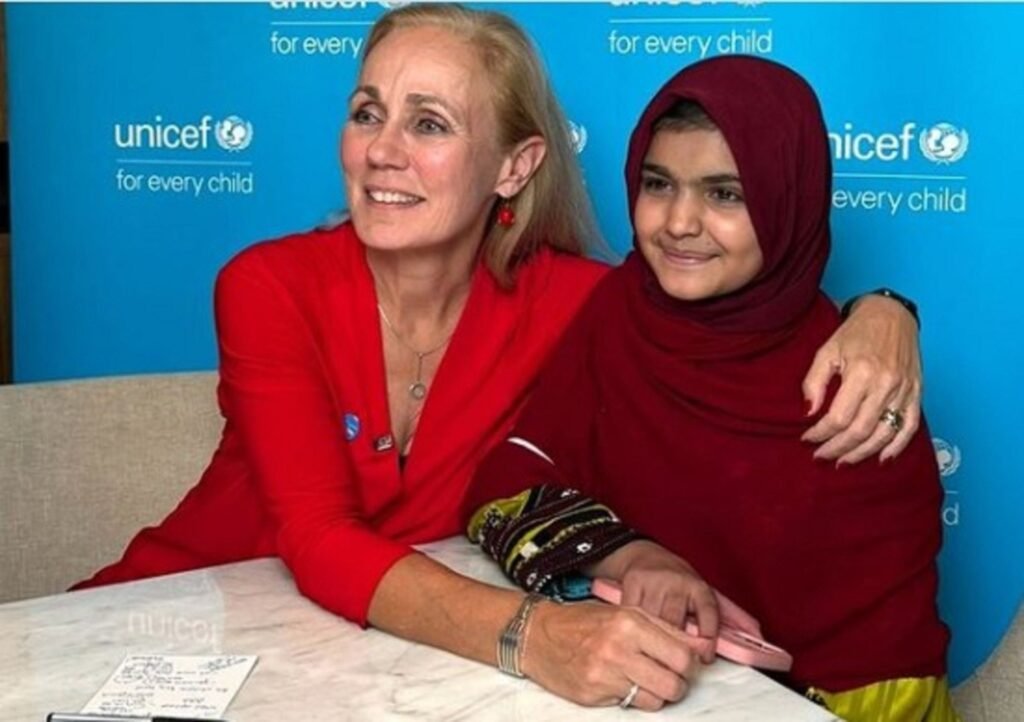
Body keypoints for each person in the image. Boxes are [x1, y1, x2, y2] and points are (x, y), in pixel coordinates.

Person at [75, 3, 924, 710]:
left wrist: (882, 310)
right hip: (182, 628)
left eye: (430, 123)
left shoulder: (584, 306)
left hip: (383, 672)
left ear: (515, 166)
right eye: (368, 112)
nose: (381, 150)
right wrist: (536, 637)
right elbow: (318, 536)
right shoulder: (266, 285)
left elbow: (732, 301)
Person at [464, 55, 957, 720]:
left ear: (788, 200)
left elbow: (884, 669)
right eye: (658, 184)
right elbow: (506, 485)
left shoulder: (860, 383)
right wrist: (637, 558)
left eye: (726, 194)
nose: (679, 223)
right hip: (634, 689)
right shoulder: (620, 313)